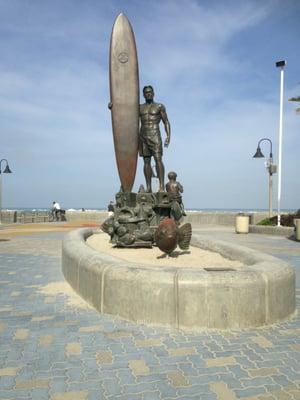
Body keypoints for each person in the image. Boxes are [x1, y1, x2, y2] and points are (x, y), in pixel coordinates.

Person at [139, 85, 170, 193]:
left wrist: (168, 136)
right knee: (146, 162)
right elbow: (126, 113)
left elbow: (166, 122)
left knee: (158, 159)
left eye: (150, 92)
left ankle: (161, 187)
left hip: (155, 135)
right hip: (143, 136)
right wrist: (113, 106)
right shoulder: (139, 107)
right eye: (146, 92)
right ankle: (149, 187)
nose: (148, 94)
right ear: (143, 95)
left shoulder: (159, 106)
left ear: (153, 93)